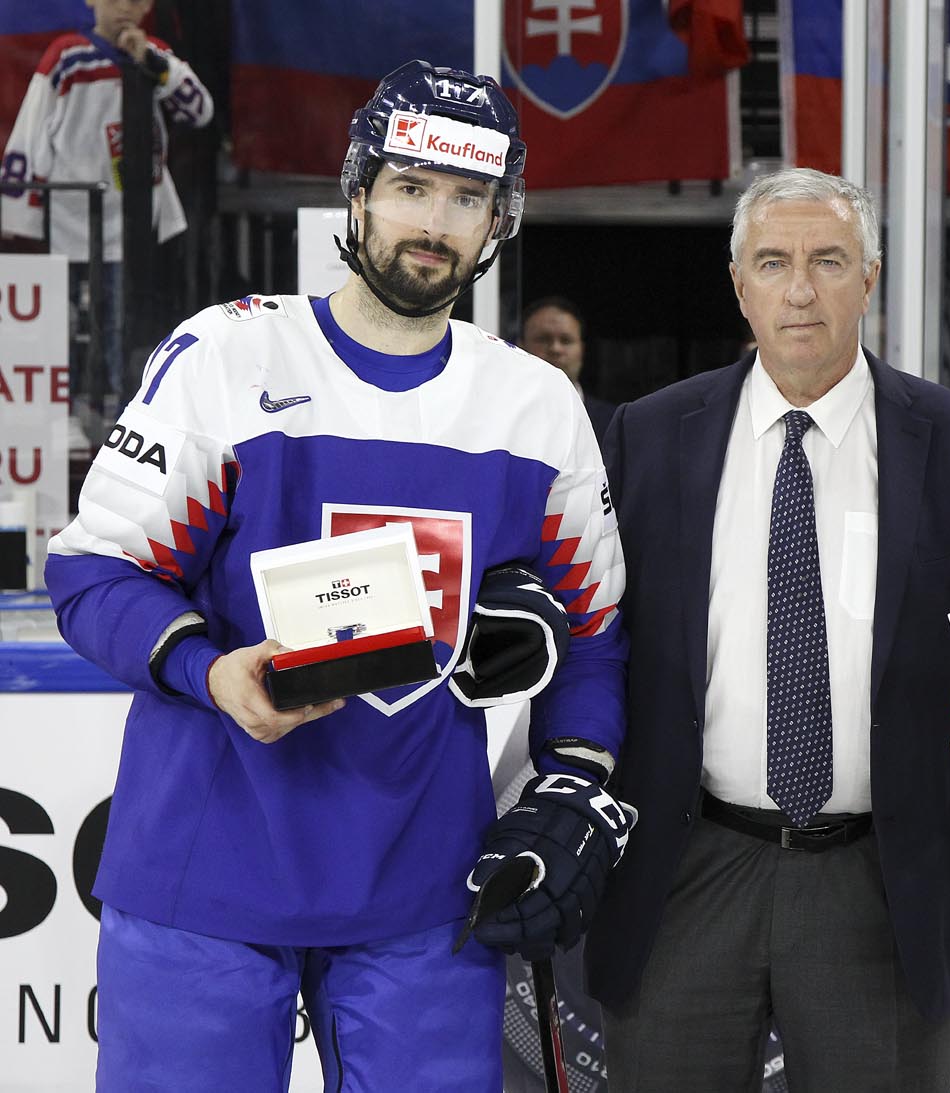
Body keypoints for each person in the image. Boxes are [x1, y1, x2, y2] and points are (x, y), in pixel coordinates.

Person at [44, 59, 631, 1091]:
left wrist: (576, 779)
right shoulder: (225, 357)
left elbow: (594, 631)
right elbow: (94, 574)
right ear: (356, 194)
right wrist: (210, 671)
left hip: (424, 893)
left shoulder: (533, 409)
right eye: (410, 187)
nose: (433, 222)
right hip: (202, 881)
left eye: (465, 198)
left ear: (498, 221)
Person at [585, 167, 950, 1092]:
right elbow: (598, 634)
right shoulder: (648, 436)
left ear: (870, 276)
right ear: (738, 283)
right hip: (686, 867)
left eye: (828, 260)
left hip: (882, 877)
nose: (800, 288)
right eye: (772, 262)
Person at [0, 0, 213, 413]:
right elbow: (31, 131)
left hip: (135, 225)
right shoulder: (68, 55)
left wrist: (149, 59)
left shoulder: (154, 54)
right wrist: (19, 214)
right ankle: (64, 411)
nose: (125, 8)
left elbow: (199, 110)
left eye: (137, 0)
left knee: (124, 326)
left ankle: (123, 416)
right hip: (72, 220)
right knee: (65, 325)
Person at [522, 295, 616, 438]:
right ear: (520, 347)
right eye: (543, 339)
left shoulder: (613, 424)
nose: (555, 349)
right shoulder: (504, 417)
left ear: (582, 350)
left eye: (566, 341)